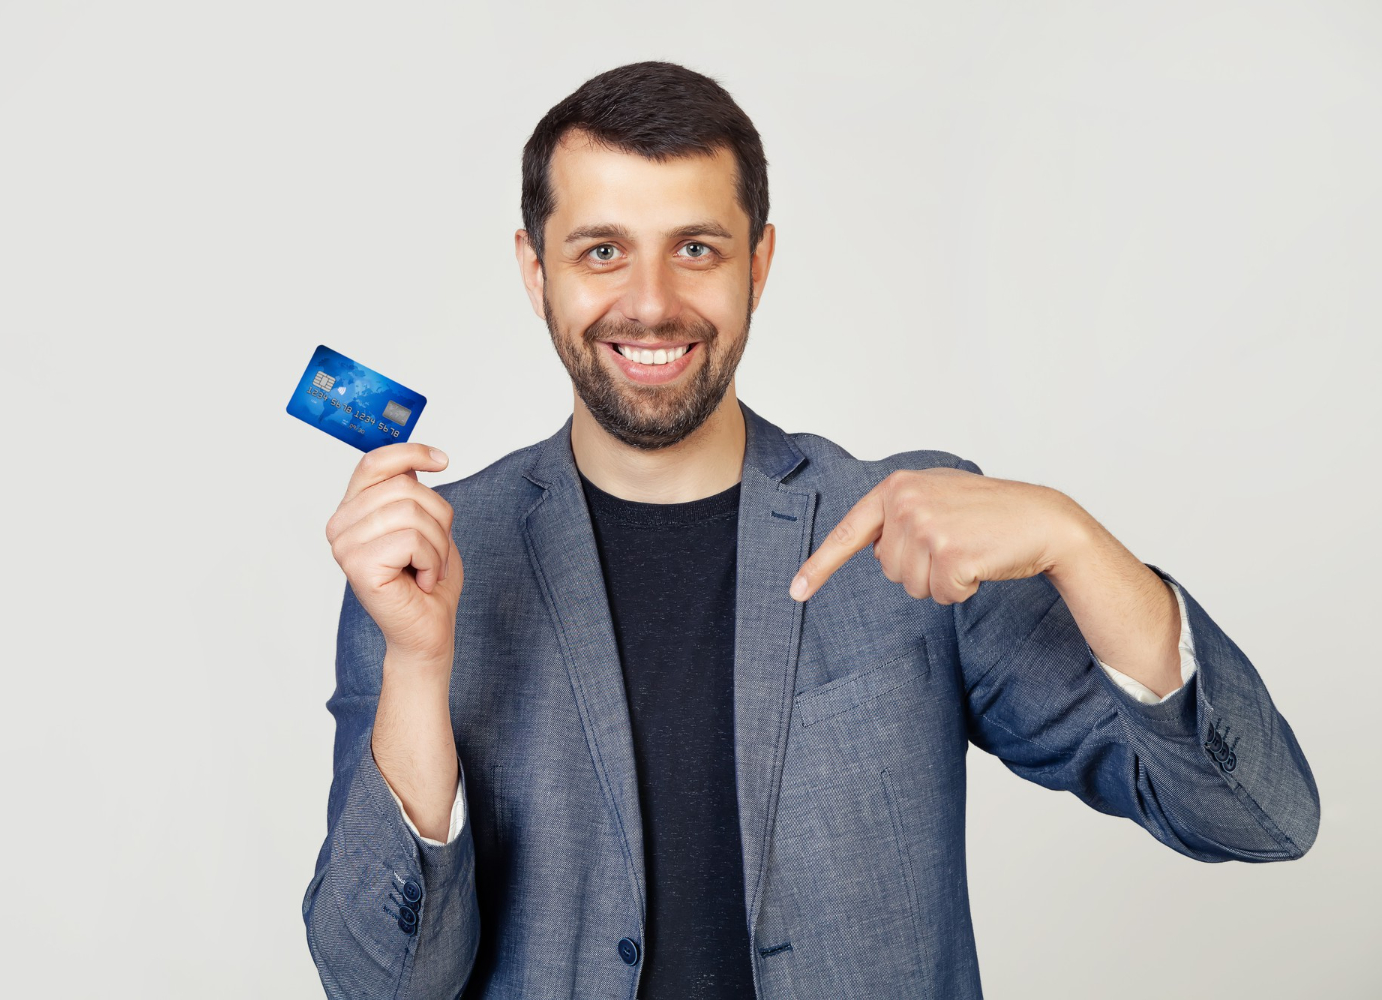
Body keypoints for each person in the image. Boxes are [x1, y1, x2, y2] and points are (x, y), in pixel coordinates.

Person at [301, 61, 1320, 1000]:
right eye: (603, 250)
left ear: (760, 262)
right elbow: (381, 984)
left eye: (696, 248)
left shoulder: (914, 528)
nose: (651, 303)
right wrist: (421, 664)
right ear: (537, 273)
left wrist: (1075, 538)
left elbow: (1255, 814)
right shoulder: (430, 559)